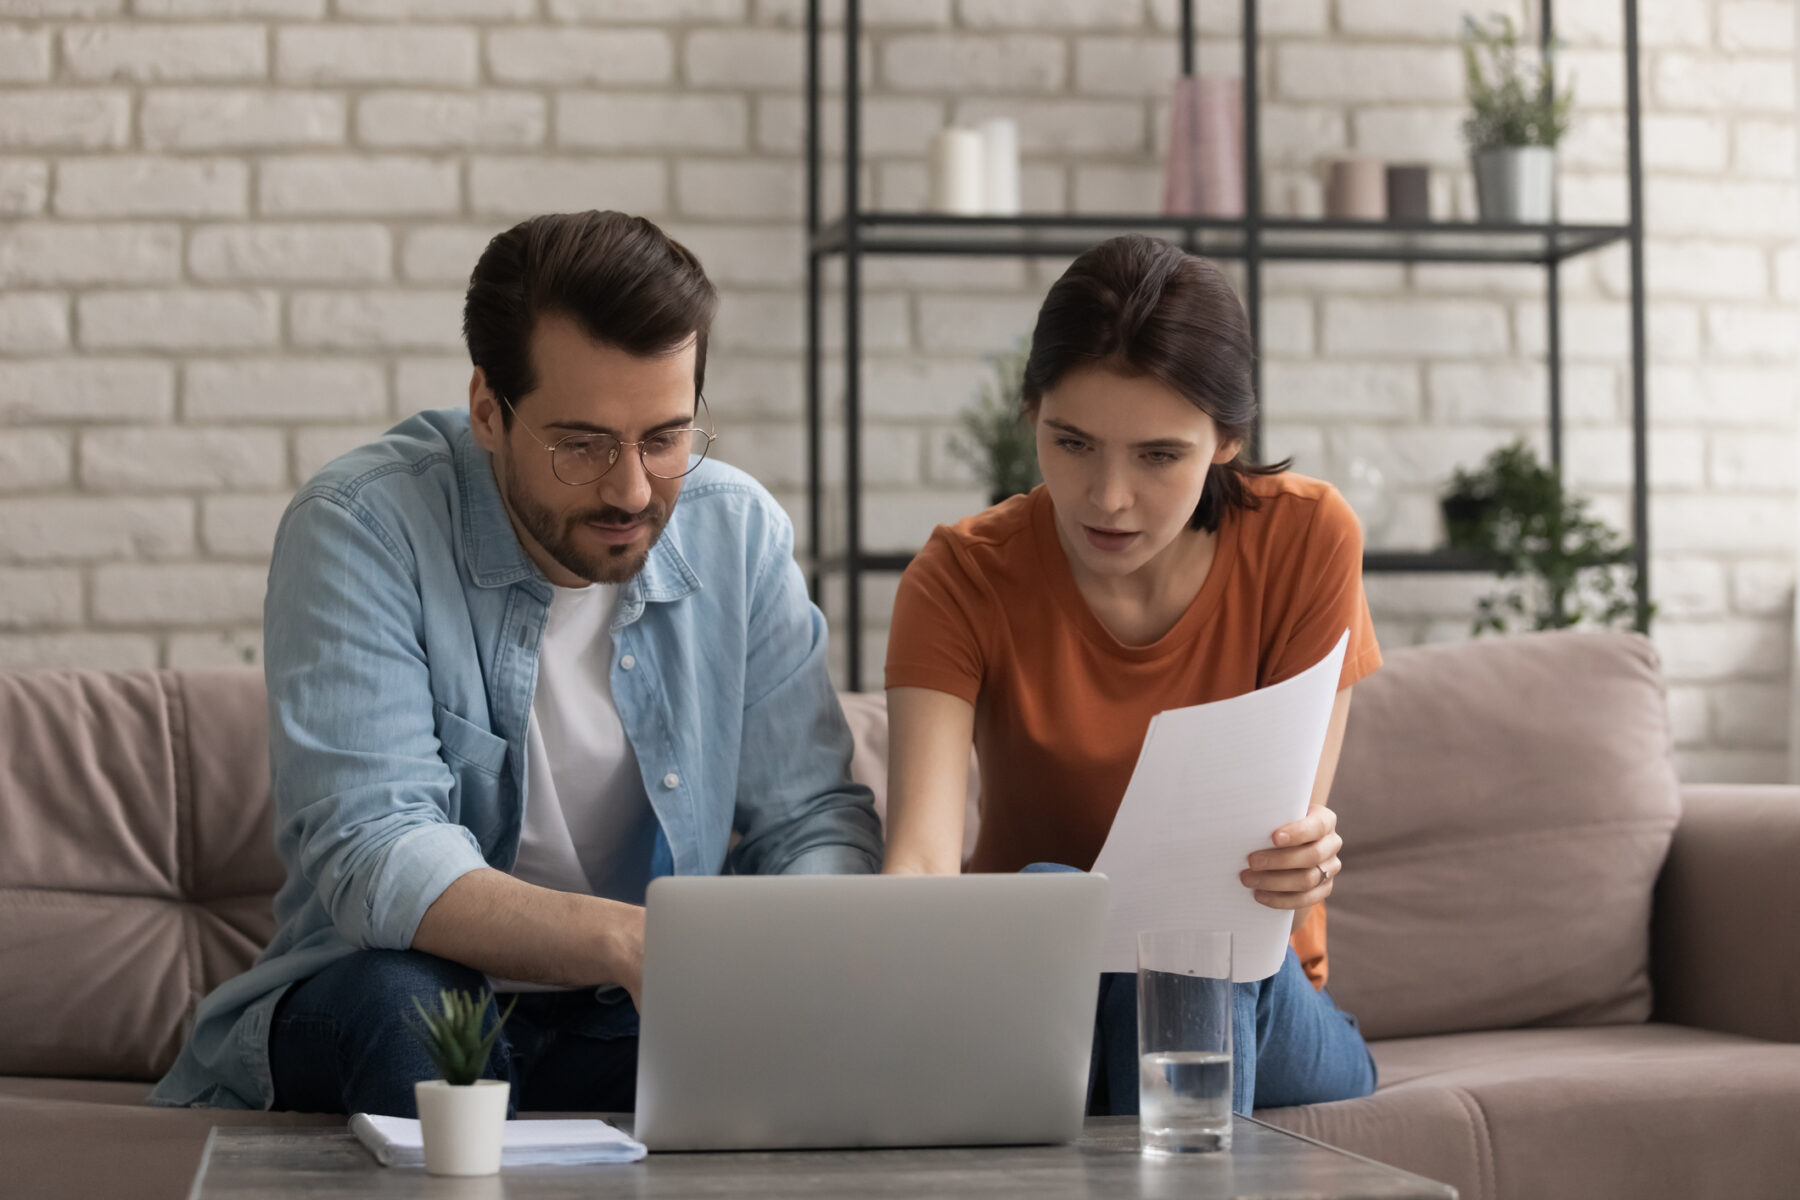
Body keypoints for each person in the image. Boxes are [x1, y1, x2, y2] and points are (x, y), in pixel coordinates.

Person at [150, 210, 882, 1115]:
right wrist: (630, 943)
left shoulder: (737, 531)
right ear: (489, 411)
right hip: (397, 993)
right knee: (414, 1013)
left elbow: (811, 819)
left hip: (633, 1010)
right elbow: (377, 851)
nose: (630, 489)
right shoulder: (362, 526)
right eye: (580, 444)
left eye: (664, 438)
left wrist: (782, 959)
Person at [881, 233, 1379, 1116]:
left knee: (1193, 940)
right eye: (1071, 443)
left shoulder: (1308, 540)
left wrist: (1303, 862)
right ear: (1030, 410)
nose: (1107, 498)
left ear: (1227, 438)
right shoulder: (962, 576)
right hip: (1040, 990)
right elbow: (919, 862)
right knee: (1052, 897)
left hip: (1254, 992)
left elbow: (1281, 833)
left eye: (1157, 456)